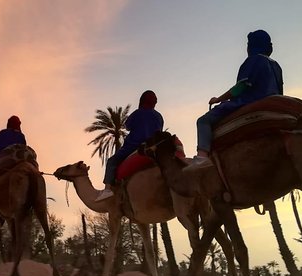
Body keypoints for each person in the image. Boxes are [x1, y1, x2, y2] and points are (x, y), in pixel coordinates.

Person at [186, 29, 283, 170]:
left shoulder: (254, 60)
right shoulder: (276, 66)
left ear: (252, 45)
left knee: (203, 121)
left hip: (250, 101)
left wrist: (218, 99)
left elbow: (240, 88)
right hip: (273, 103)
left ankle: (202, 158)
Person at [97, 90, 164, 202]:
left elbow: (127, 126)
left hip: (133, 146)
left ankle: (107, 189)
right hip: (153, 147)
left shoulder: (137, 113)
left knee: (112, 161)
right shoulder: (159, 116)